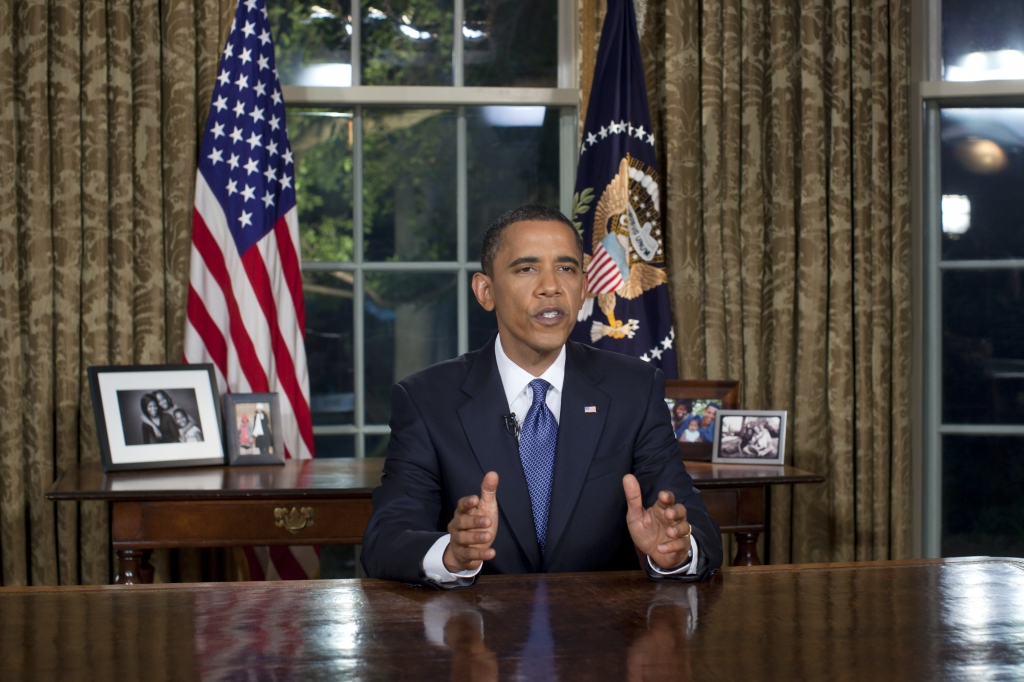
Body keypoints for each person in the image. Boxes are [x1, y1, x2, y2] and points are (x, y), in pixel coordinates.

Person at [361, 205, 723, 588]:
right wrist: (451, 553)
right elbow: (385, 541)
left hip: (604, 635)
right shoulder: (427, 400)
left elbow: (698, 530)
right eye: (526, 269)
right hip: (476, 636)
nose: (551, 286)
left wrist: (675, 552)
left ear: (584, 288)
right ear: (486, 291)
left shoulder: (634, 389)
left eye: (566, 269)